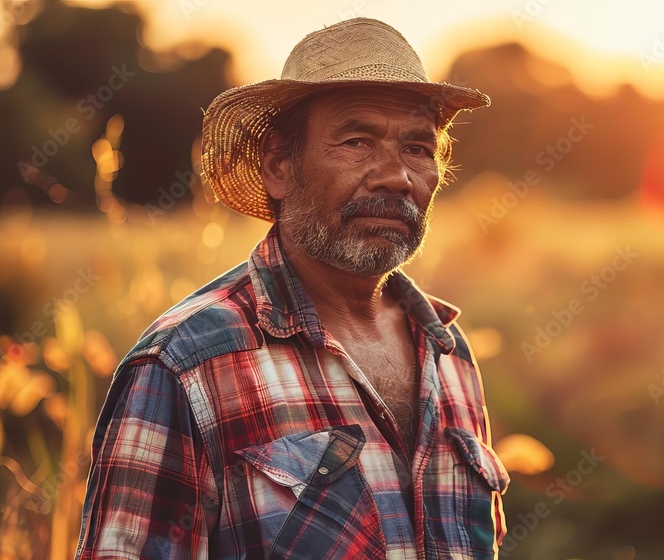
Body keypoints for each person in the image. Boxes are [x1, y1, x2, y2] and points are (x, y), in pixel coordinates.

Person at [75, 18, 509, 560]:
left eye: (418, 148)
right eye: (357, 141)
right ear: (279, 167)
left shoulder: (448, 352)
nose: (396, 176)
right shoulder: (184, 366)